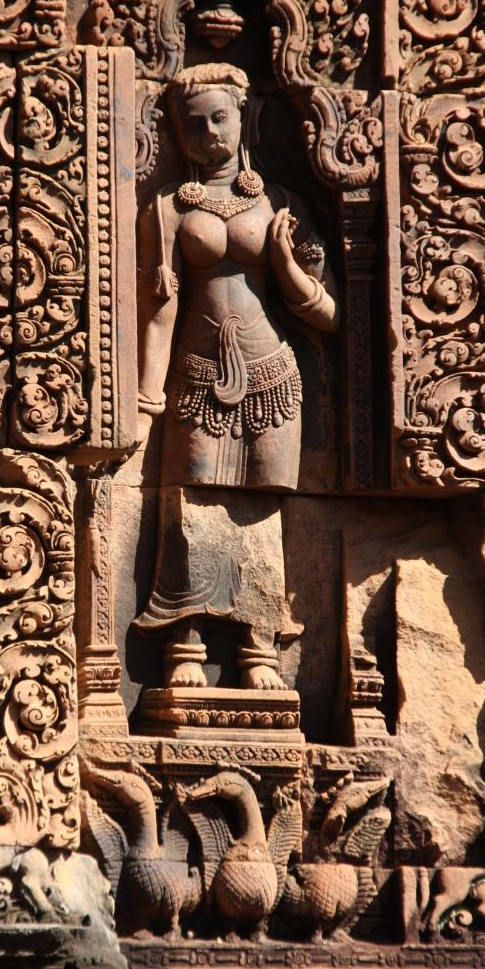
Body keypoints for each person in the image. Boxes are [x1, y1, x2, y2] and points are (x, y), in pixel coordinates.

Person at [133, 63, 339, 692]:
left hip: (271, 372)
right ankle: (186, 642)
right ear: (176, 132)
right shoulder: (169, 208)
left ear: (245, 117)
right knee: (191, 501)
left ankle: (259, 647)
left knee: (260, 508)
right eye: (192, 125)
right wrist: (146, 398)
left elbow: (329, 314)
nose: (209, 134)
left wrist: (283, 259)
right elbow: (160, 309)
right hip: (197, 374)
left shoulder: (280, 203)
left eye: (219, 118)